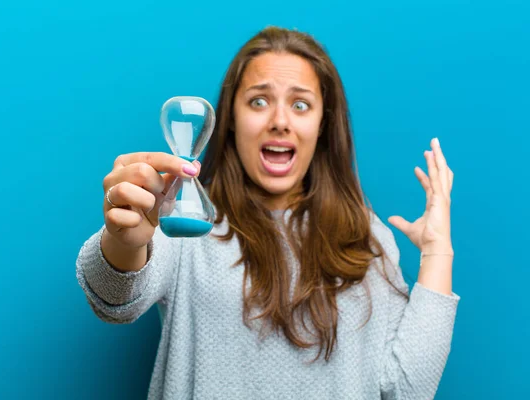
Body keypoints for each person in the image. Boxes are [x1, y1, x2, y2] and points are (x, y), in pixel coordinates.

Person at [76, 26, 459, 399]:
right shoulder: (187, 223)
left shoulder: (368, 239)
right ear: (230, 121)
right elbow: (113, 299)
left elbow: (406, 390)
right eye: (258, 101)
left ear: (323, 124)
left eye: (300, 104)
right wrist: (122, 242)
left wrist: (438, 253)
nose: (279, 121)